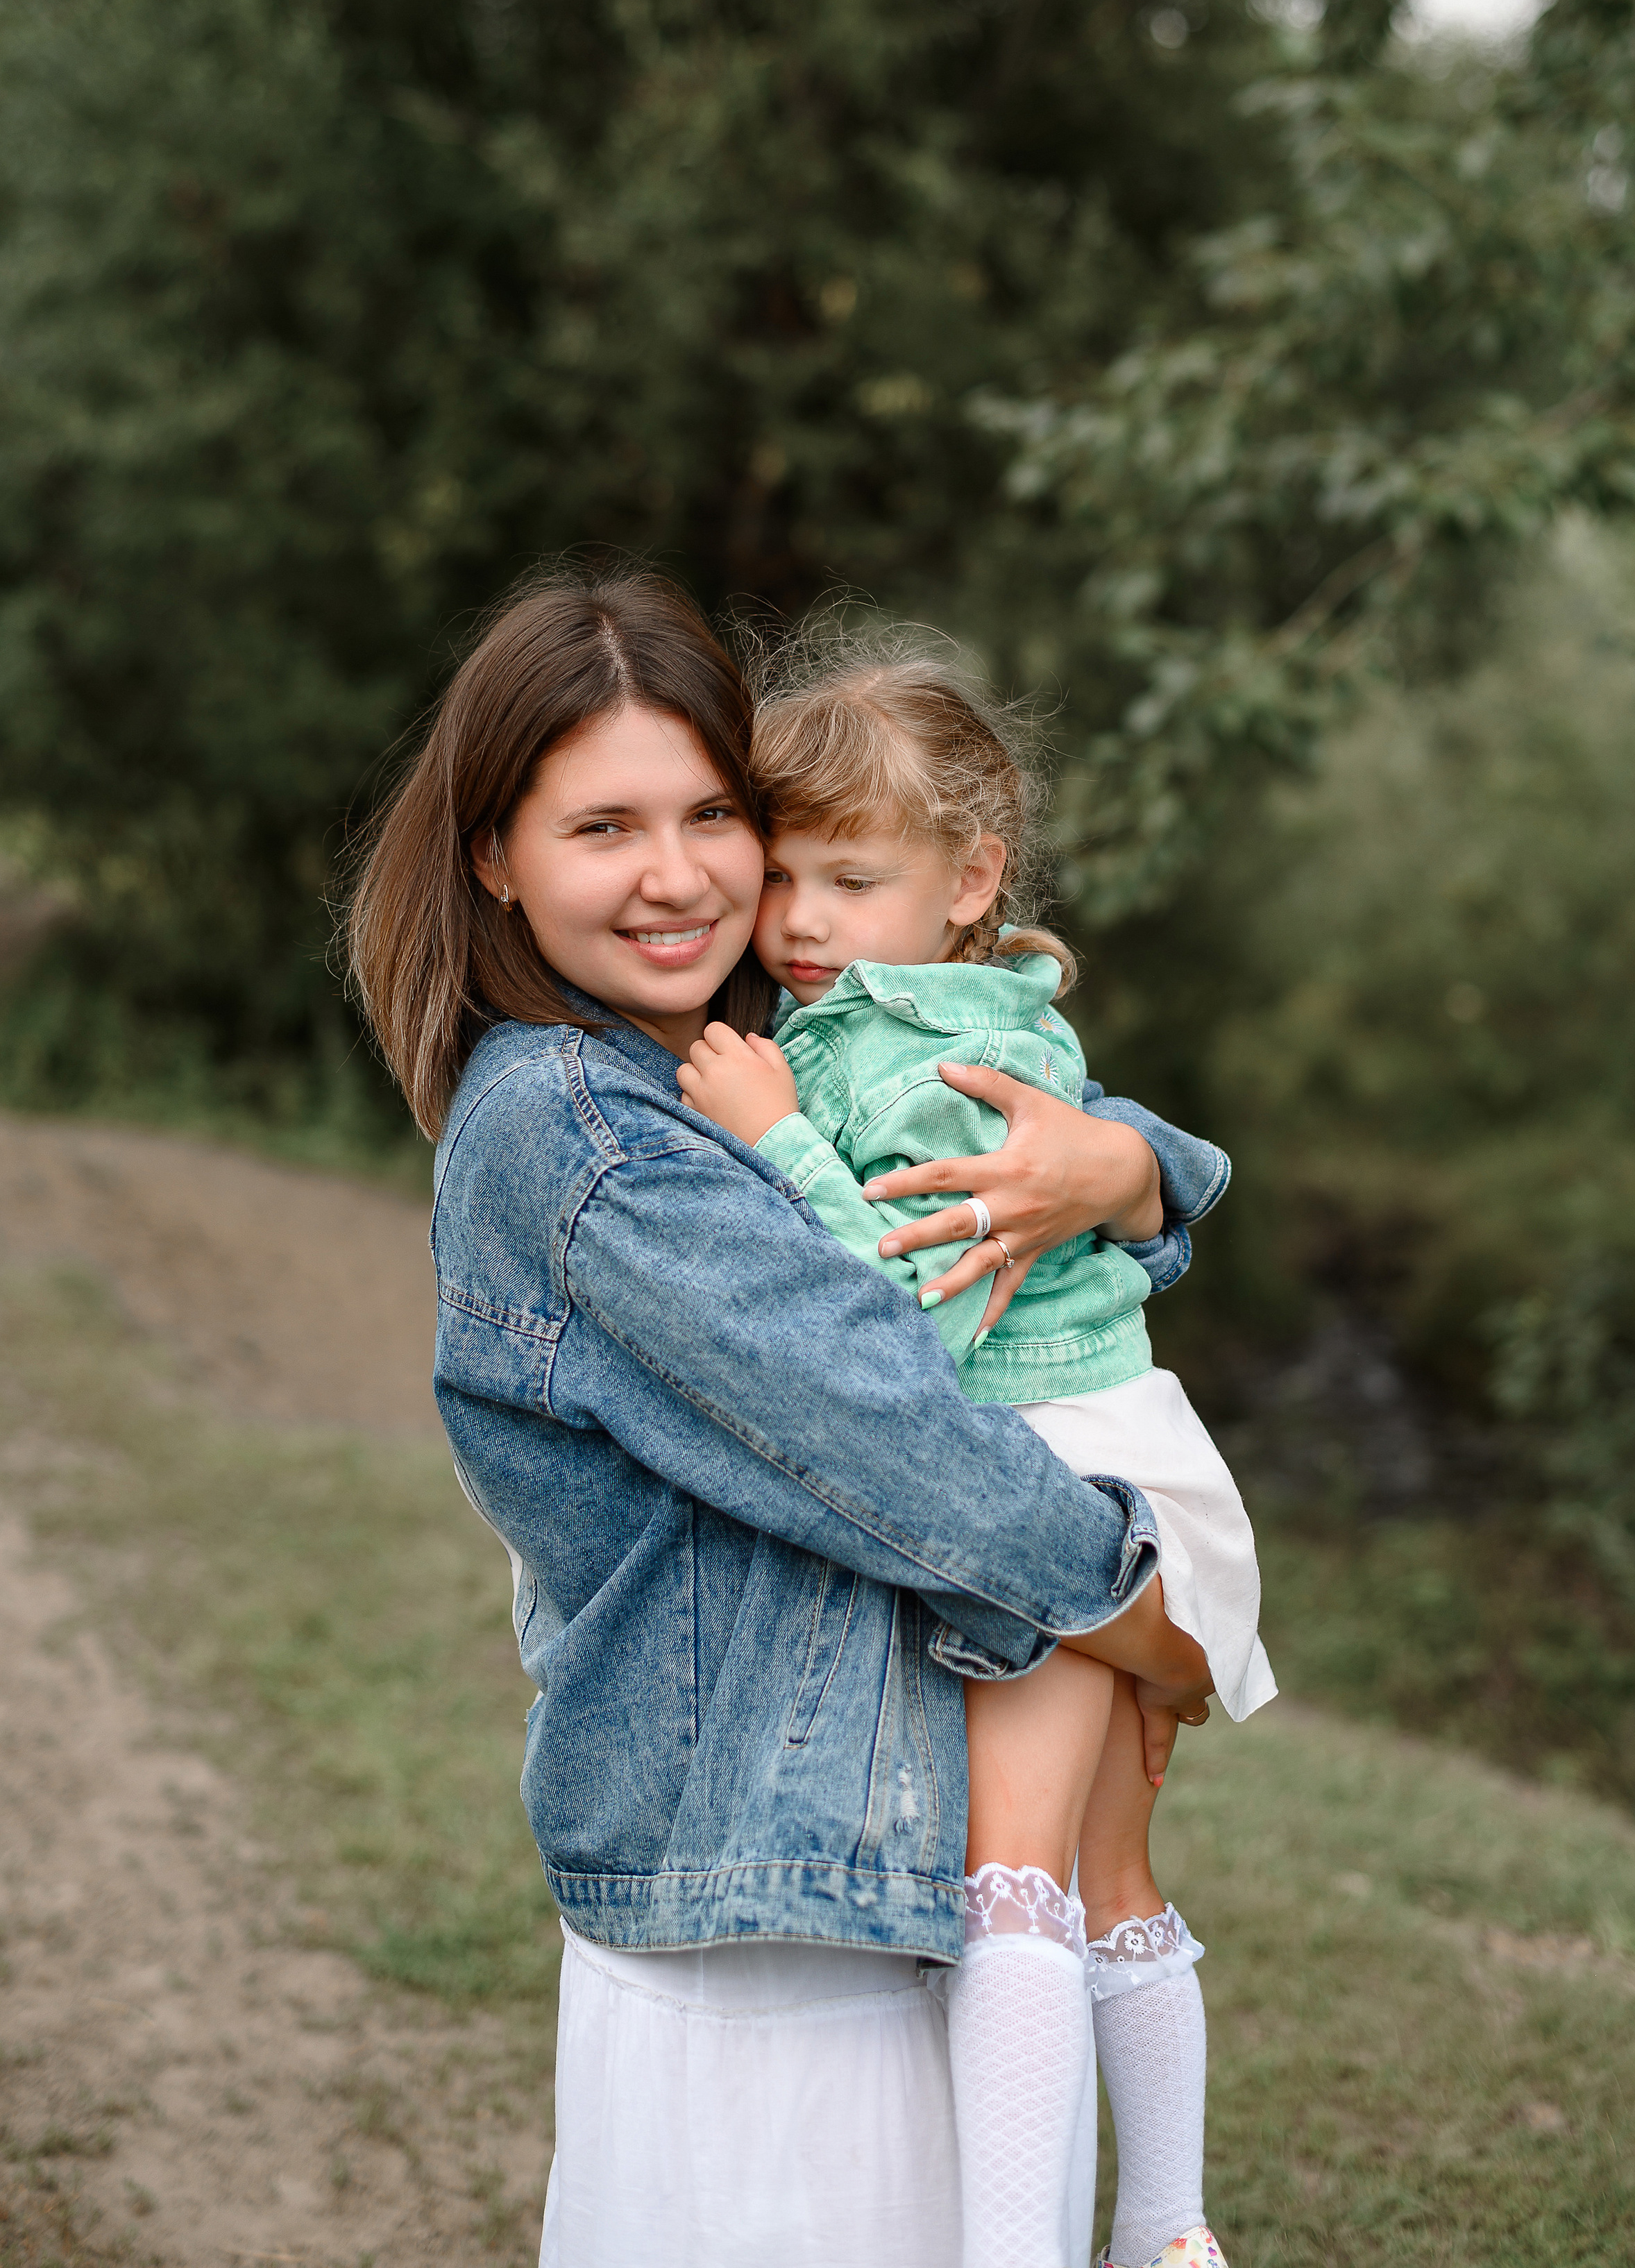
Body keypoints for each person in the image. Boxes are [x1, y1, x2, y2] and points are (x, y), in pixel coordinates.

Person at [346, 568, 1232, 2268]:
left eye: (710, 817)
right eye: (602, 826)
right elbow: (894, 1444)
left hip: (886, 1894)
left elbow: (1025, 1087)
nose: (677, 876)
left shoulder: (751, 1042)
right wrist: (1154, 1628)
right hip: (764, 1932)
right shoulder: (582, 1137)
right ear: (493, 854)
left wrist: (1133, 1176)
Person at [675, 640, 1274, 2268]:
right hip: (1115, 1452)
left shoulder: (914, 1062)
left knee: (1007, 1875)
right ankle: (1165, 2231)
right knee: (1104, 1868)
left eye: (849, 879)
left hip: (1043, 1467)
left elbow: (909, 1347)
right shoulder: (946, 1006)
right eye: (779, 875)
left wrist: (776, 1143)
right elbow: (1169, 1170)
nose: (797, 922)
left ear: (972, 878)